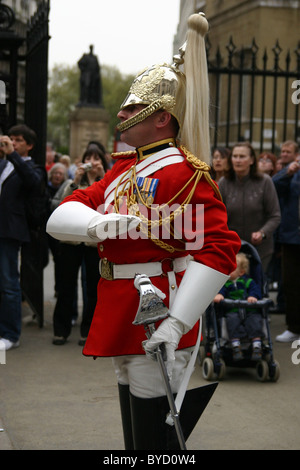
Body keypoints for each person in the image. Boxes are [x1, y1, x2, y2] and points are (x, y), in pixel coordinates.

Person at [47, 13, 240, 450]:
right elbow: (62, 215)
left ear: (161, 117)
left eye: (132, 108)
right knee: (134, 421)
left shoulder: (183, 172)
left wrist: (176, 322)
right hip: (120, 303)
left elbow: (218, 249)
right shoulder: (122, 169)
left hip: (159, 308)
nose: (120, 112)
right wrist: (96, 224)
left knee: (155, 431)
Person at [51, 147, 107, 346]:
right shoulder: (73, 182)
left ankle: (88, 331)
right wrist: (76, 181)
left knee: (93, 288)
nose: (92, 162)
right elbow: (63, 205)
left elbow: (111, 205)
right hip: (71, 241)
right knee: (66, 286)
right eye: (88, 159)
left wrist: (102, 177)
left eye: (96, 158)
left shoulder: (107, 182)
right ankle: (61, 330)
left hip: (94, 242)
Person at [0, 124, 44, 350]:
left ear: (29, 145)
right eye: (11, 139)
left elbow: (33, 183)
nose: (13, 143)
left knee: (8, 283)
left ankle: (11, 334)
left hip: (9, 231)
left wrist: (13, 154)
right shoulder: (4, 164)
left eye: (18, 140)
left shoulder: (29, 166)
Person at [218, 141, 281, 273]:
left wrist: (262, 233)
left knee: (254, 290)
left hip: (260, 250)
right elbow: (217, 215)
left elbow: (275, 216)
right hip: (232, 248)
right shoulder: (224, 183)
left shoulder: (265, 182)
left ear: (252, 160)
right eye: (235, 156)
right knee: (233, 290)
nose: (238, 160)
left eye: (242, 156)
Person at [273, 146, 300, 342]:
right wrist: (288, 172)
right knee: (291, 283)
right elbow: (273, 186)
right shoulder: (292, 173)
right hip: (291, 237)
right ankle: (294, 327)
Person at [214, 252, 263, 361]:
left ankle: (256, 346)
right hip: (233, 311)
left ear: (241, 272)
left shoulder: (248, 282)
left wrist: (252, 296)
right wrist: (220, 295)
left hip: (249, 310)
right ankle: (236, 346)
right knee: (232, 321)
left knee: (255, 321)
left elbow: (256, 291)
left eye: (230, 269)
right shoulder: (225, 284)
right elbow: (221, 292)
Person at [47, 163, 72, 295]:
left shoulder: (66, 187)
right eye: (55, 173)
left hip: (57, 229)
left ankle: (58, 288)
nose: (57, 176)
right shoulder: (45, 186)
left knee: (58, 260)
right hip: (43, 229)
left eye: (60, 174)